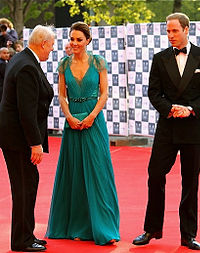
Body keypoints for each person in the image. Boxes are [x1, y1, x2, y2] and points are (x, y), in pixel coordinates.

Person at [133, 12, 200, 250]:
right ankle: (151, 229)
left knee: (190, 182)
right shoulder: (160, 59)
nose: (170, 35)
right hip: (167, 127)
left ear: (186, 29)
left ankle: (188, 235)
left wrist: (191, 109)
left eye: (174, 31)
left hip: (193, 128)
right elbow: (153, 92)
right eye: (167, 31)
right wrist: (170, 109)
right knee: (155, 175)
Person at [46, 21, 120, 245]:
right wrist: (68, 117)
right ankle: (75, 226)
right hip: (72, 122)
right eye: (72, 39)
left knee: (98, 173)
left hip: (93, 121)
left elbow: (105, 93)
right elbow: (61, 96)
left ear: (88, 40)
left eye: (79, 39)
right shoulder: (63, 64)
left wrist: (91, 116)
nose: (75, 43)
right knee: (73, 173)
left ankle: (103, 228)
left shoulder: (98, 62)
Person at [0, 25, 55, 252]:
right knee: (24, 187)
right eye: (51, 46)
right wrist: (36, 144)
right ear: (42, 43)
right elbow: (27, 111)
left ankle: (26, 235)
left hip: (15, 136)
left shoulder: (24, 59)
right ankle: (22, 240)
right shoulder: (26, 66)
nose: (51, 50)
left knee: (28, 185)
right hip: (19, 139)